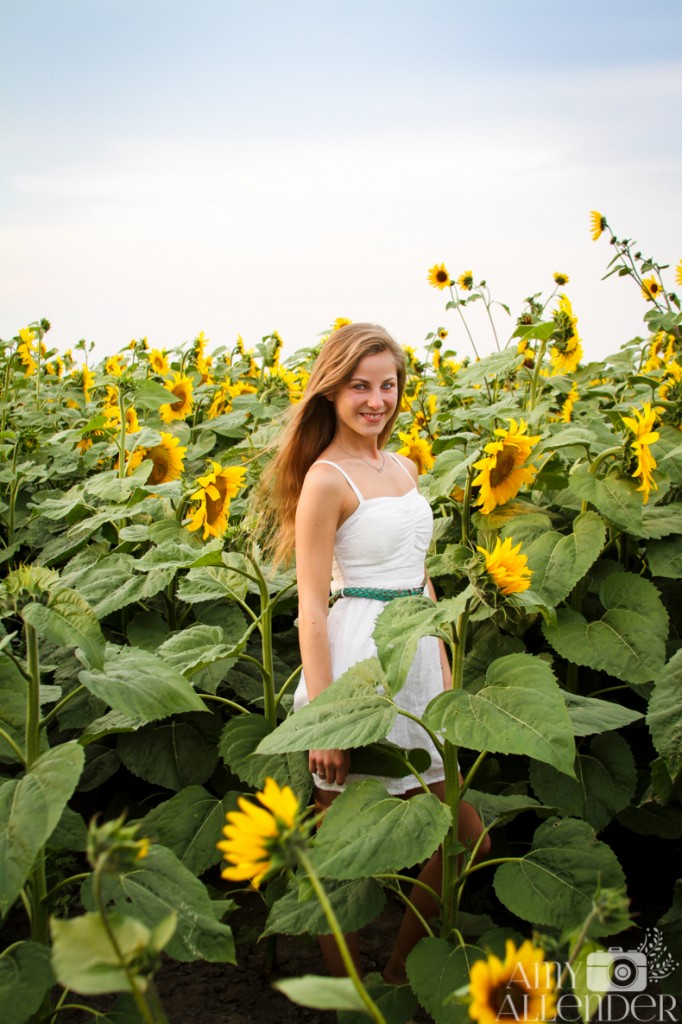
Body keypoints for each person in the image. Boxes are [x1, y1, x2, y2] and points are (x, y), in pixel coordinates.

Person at [259, 322, 489, 984]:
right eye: (360, 386)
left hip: (418, 658)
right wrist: (328, 718)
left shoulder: (403, 466)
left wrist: (444, 667)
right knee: (343, 854)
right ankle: (351, 1001)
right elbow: (309, 606)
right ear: (331, 392)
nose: (376, 400)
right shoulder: (326, 480)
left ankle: (395, 974)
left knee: (466, 836)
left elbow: (421, 574)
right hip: (356, 665)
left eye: (387, 385)